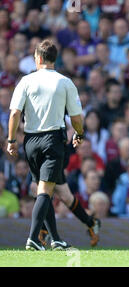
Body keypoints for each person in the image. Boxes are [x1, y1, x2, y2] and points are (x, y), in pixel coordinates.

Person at [7, 39, 84, 251]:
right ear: (53, 59)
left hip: (30, 141)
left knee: (44, 188)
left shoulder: (26, 81)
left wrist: (12, 139)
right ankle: (32, 237)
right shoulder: (65, 82)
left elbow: (14, 113)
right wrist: (79, 133)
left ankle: (55, 238)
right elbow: (76, 117)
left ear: (38, 58)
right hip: (53, 140)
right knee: (45, 190)